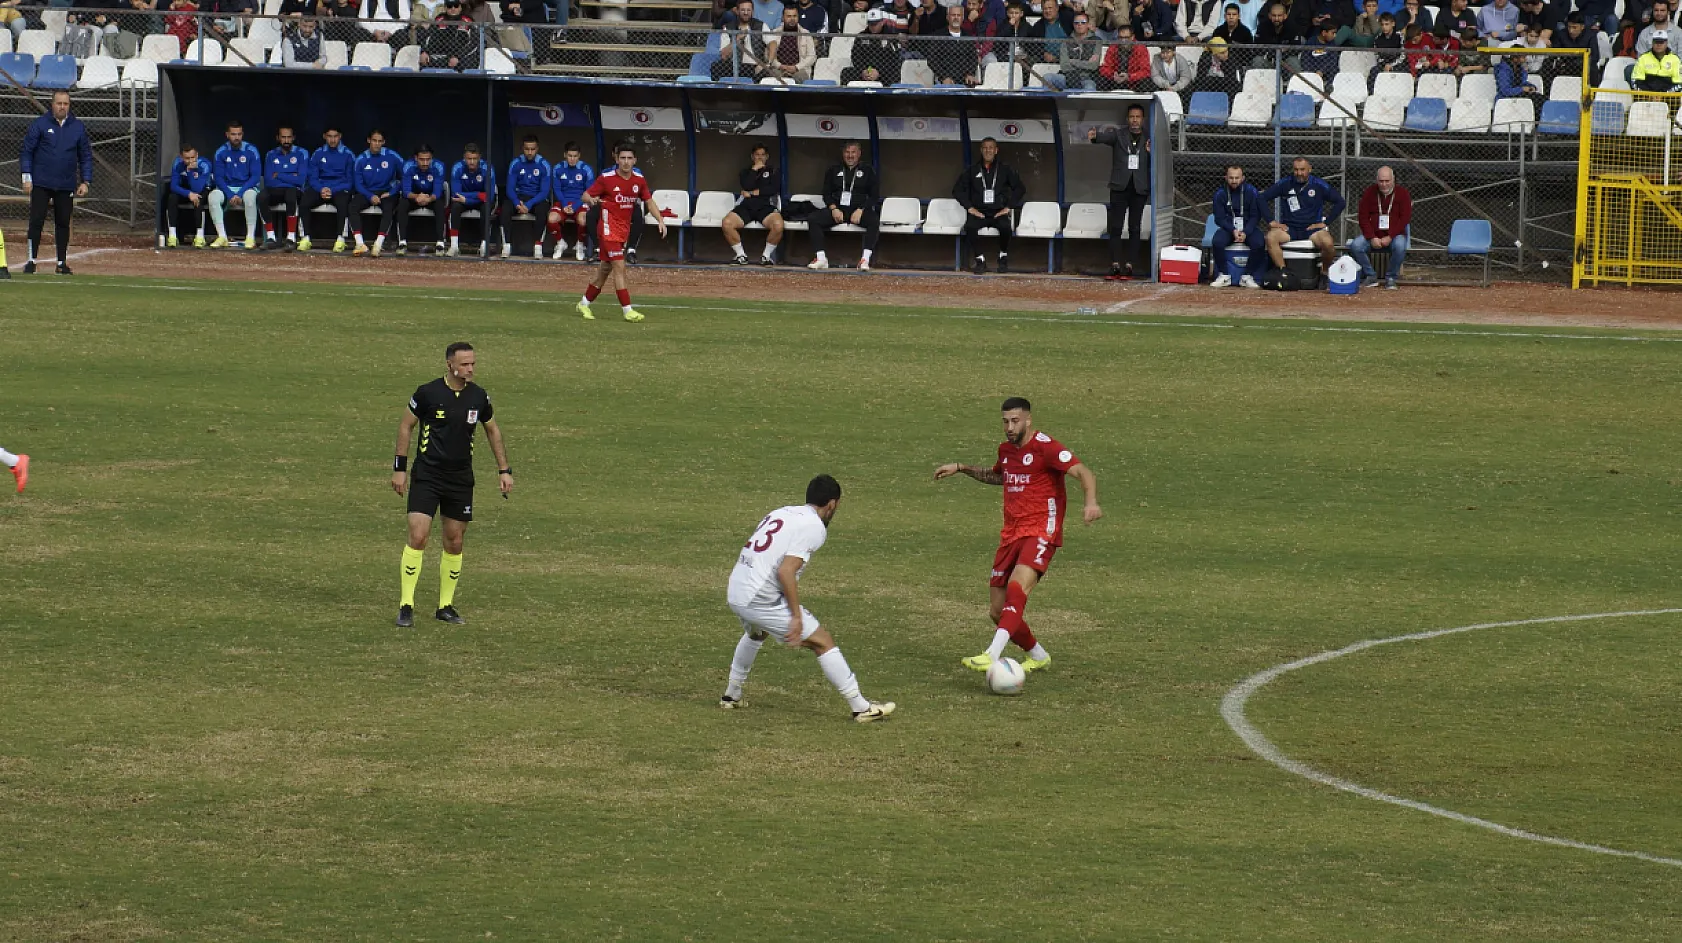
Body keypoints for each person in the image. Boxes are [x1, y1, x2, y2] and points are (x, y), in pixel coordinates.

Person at [934, 397, 1102, 676]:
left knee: (1016, 589)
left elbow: (1083, 471)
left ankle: (991, 654)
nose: (1009, 427)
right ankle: (1038, 656)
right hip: (1011, 533)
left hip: (1041, 530)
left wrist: (1091, 502)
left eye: (1015, 421)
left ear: (1028, 420)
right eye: (1005, 422)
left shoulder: (1046, 447)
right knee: (998, 611)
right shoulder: (1006, 451)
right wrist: (962, 468)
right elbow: (1000, 476)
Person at [720, 475, 896, 723]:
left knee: (756, 633)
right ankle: (861, 707)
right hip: (759, 597)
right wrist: (796, 616)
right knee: (823, 642)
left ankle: (732, 694)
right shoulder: (814, 527)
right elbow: (786, 571)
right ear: (832, 504)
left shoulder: (782, 512)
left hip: (737, 589)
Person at [391, 341, 513, 628]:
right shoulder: (428, 393)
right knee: (419, 536)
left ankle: (445, 606)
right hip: (428, 475)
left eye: (473, 363)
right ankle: (406, 605)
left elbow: (492, 430)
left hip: (460, 479)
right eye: (465, 364)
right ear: (450, 365)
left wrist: (504, 470)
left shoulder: (479, 397)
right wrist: (400, 468)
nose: (470, 368)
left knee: (455, 541)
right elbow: (406, 425)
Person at [577, 142, 667, 323]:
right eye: (622, 158)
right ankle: (628, 310)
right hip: (608, 230)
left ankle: (584, 303)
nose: (626, 162)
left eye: (629, 158)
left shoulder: (639, 180)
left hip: (622, 231)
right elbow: (585, 195)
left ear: (635, 160)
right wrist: (592, 200)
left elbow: (649, 201)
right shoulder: (606, 178)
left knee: (604, 271)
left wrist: (660, 220)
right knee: (620, 267)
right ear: (616, 159)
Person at [19, 90, 92, 277]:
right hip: (41, 183)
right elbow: (27, 151)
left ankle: (61, 262)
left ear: (69, 105)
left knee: (62, 224)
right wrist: (27, 177)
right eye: (59, 103)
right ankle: (31, 261)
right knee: (36, 222)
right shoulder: (40, 124)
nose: (62, 107)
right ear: (52, 104)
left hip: (66, 184)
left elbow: (85, 156)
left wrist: (86, 181)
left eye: (65, 104)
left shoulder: (77, 127)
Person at [1089, 103, 1151, 280]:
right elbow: (1104, 137)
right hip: (1119, 187)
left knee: (1134, 227)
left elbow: (1157, 160)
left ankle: (1130, 265)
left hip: (1139, 188)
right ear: (1127, 119)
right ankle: (1115, 264)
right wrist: (1094, 137)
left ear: (1143, 119)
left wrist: (1151, 152)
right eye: (1132, 117)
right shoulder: (1119, 134)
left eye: (1138, 117)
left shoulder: (1148, 138)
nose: (1134, 120)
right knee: (1115, 227)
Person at [1260, 156, 1346, 276]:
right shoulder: (1285, 183)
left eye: (1302, 169)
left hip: (1312, 229)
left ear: (1309, 169)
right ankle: (1283, 272)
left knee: (1328, 244)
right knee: (1270, 238)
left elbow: (1340, 202)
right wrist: (1271, 221)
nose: (1299, 173)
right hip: (1290, 229)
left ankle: (1325, 272)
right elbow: (1262, 198)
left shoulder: (1318, 184)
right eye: (1296, 170)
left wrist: (1326, 222)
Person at [953, 137, 1025, 275]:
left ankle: (1002, 257)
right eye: (985, 148)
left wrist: (1008, 207)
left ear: (996, 150)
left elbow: (1020, 189)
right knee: (970, 227)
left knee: (1005, 228)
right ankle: (980, 260)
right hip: (979, 212)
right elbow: (957, 190)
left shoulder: (1005, 169)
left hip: (998, 212)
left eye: (991, 147)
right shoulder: (972, 170)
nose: (988, 150)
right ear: (981, 150)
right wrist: (970, 208)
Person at [805, 140, 881, 271]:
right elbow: (826, 193)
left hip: (857, 210)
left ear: (859, 154)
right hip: (838, 209)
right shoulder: (833, 169)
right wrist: (833, 208)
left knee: (874, 221)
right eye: (847, 152)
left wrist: (861, 209)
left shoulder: (868, 170)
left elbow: (874, 196)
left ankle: (865, 260)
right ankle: (821, 258)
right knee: (813, 218)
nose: (850, 156)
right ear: (843, 153)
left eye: (853, 152)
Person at [1346, 165, 1410, 289]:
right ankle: (1370, 276)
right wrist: (1371, 237)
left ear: (1393, 180)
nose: (1384, 184)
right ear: (1377, 180)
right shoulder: (1370, 192)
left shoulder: (1403, 194)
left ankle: (1391, 277)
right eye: (1381, 181)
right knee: (1356, 245)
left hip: (1395, 235)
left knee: (1400, 246)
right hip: (1373, 235)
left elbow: (1405, 219)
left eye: (1387, 181)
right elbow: (1363, 217)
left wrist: (1390, 236)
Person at [723, 144, 784, 266]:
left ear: (767, 157)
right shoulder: (746, 172)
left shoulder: (773, 171)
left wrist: (752, 193)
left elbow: (773, 189)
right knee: (727, 223)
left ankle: (766, 256)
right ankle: (740, 255)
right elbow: (746, 185)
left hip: (766, 206)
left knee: (778, 225)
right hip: (747, 206)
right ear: (752, 157)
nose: (760, 158)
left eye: (762, 155)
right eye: (757, 155)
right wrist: (754, 170)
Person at [1209, 164, 1268, 288]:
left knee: (1259, 242)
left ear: (1243, 178)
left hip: (1247, 227)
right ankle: (1224, 275)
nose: (1234, 181)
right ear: (1226, 177)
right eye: (1231, 178)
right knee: (1217, 241)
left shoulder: (1251, 192)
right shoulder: (1220, 194)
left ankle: (1247, 276)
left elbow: (1255, 215)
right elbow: (1219, 218)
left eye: (1237, 178)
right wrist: (1233, 230)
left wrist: (1246, 231)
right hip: (1229, 228)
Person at [298, 127, 355, 253]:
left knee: (343, 203)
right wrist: (321, 189)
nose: (333, 139)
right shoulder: (318, 153)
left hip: (339, 189)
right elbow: (312, 178)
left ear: (340, 136)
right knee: (304, 202)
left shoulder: (348, 154)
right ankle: (305, 237)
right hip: (321, 188)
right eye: (330, 136)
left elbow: (349, 181)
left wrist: (332, 190)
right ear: (325, 136)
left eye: (335, 136)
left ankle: (341, 239)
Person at [208, 120, 264, 251]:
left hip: (247, 187)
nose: (236, 137)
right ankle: (222, 237)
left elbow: (255, 176)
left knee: (250, 197)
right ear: (227, 134)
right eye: (233, 134)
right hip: (227, 188)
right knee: (213, 197)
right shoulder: (221, 152)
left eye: (239, 134)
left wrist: (239, 194)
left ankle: (250, 237)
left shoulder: (251, 150)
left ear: (242, 134)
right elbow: (218, 177)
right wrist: (230, 194)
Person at [351, 130, 403, 257]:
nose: (377, 144)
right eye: (374, 141)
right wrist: (370, 196)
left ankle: (378, 244)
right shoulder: (361, 159)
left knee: (389, 208)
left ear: (384, 142)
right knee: (352, 206)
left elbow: (405, 177)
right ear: (369, 140)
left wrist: (391, 192)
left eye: (380, 141)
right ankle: (360, 244)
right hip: (367, 192)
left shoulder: (392, 156)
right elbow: (358, 184)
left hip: (386, 192)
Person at [500, 135, 551, 259]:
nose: (529, 152)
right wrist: (517, 203)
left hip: (536, 198)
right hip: (519, 197)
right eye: (527, 149)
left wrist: (529, 204)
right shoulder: (516, 163)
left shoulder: (544, 164)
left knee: (542, 210)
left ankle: (538, 246)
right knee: (505, 208)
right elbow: (509, 188)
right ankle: (506, 245)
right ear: (522, 148)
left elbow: (544, 191)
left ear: (537, 149)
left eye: (532, 149)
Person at [545, 142, 596, 261]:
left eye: (575, 156)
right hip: (563, 202)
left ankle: (580, 244)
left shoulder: (586, 169)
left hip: (580, 202)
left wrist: (576, 205)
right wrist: (564, 205)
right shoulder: (558, 168)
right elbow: (556, 189)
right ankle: (560, 243)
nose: (572, 159)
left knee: (583, 219)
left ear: (579, 156)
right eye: (569, 156)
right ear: (565, 155)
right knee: (551, 219)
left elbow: (589, 191)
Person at [262, 126, 307, 250]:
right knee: (262, 196)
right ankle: (271, 237)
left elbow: (301, 180)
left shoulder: (301, 154)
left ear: (293, 138)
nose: (286, 140)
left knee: (291, 194)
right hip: (276, 189)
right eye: (283, 137)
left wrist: (279, 175)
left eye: (289, 137)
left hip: (294, 191)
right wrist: (291, 177)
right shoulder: (271, 155)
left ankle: (291, 238)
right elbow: (268, 180)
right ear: (278, 138)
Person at [394, 144, 444, 255]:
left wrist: (428, 199)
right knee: (402, 204)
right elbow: (406, 191)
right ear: (416, 158)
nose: (425, 163)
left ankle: (440, 243)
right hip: (414, 196)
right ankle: (402, 242)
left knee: (440, 205)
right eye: (422, 159)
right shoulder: (408, 166)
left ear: (432, 158)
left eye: (428, 159)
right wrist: (417, 196)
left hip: (431, 197)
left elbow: (438, 191)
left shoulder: (439, 166)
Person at [445, 143, 493, 257]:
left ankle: (484, 245)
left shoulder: (487, 168)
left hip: (479, 202)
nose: (472, 162)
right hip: (463, 200)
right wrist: (478, 195)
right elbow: (456, 194)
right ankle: (454, 246)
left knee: (486, 207)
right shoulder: (457, 167)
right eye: (469, 159)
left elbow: (488, 196)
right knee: (455, 206)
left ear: (479, 158)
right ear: (464, 158)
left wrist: (467, 200)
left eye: (475, 159)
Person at [165, 143, 213, 248]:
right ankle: (172, 235)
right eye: (187, 158)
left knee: (198, 199)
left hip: (202, 188)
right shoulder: (177, 163)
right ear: (181, 157)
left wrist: (191, 171)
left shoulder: (204, 164)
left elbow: (198, 188)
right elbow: (174, 186)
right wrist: (188, 194)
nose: (190, 161)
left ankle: (200, 237)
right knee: (172, 198)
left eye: (193, 157)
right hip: (186, 189)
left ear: (197, 155)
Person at [842, 8, 904, 84]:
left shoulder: (891, 36)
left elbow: (894, 59)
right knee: (846, 72)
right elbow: (855, 56)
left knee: (895, 74)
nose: (873, 27)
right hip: (865, 70)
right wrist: (863, 71)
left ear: (882, 22)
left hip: (884, 72)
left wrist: (879, 72)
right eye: (870, 24)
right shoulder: (861, 36)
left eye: (875, 24)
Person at [713, 0, 770, 79]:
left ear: (752, 11)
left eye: (748, 10)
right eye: (743, 10)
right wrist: (737, 39)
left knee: (765, 71)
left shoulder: (761, 26)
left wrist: (767, 63)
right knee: (716, 67)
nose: (746, 13)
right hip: (734, 66)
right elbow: (724, 55)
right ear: (737, 11)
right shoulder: (728, 27)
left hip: (754, 66)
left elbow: (772, 43)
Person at [933, 4, 983, 84]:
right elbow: (932, 59)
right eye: (953, 15)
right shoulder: (938, 36)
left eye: (958, 15)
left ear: (962, 18)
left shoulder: (967, 36)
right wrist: (944, 77)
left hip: (965, 80)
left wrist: (970, 74)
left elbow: (973, 57)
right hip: (943, 80)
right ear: (947, 17)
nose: (956, 18)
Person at [766, 5, 818, 82]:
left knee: (800, 76)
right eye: (789, 16)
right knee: (774, 75)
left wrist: (796, 67)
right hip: (779, 69)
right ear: (783, 18)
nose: (792, 19)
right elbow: (767, 55)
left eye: (794, 16)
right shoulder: (774, 33)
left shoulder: (806, 33)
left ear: (798, 17)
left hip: (799, 69)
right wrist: (779, 66)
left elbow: (812, 56)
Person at [1100, 22, 1152, 89]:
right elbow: (1104, 68)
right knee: (1101, 80)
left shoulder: (1141, 48)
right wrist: (1113, 75)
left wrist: (1129, 76)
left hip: (1134, 81)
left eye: (1126, 38)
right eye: (1120, 37)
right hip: (1116, 80)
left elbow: (1145, 71)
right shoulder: (1113, 47)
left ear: (1132, 37)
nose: (1123, 40)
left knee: (1147, 83)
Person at [1060, 11, 1105, 88]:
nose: (1079, 25)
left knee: (1089, 87)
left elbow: (1093, 65)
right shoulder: (1066, 41)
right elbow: (1064, 66)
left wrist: (1073, 62)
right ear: (1073, 25)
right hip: (1068, 76)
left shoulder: (1097, 40)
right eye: (1076, 22)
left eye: (1083, 22)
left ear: (1088, 24)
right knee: (1048, 77)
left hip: (1088, 77)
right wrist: (1085, 64)